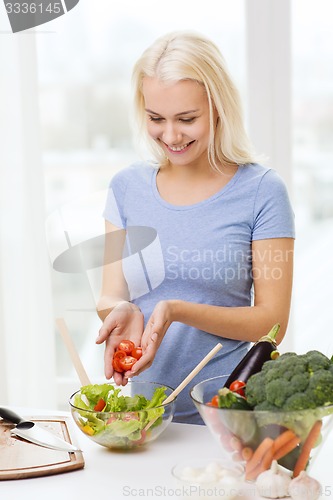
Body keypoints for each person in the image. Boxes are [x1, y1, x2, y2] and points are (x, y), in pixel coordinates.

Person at [96, 30, 295, 424]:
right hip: (147, 417)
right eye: (156, 119)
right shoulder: (126, 188)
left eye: (187, 119)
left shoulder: (261, 191)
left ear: (218, 108)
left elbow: (273, 322)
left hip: (230, 416)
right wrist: (122, 311)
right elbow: (109, 296)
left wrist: (177, 311)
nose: (170, 136)